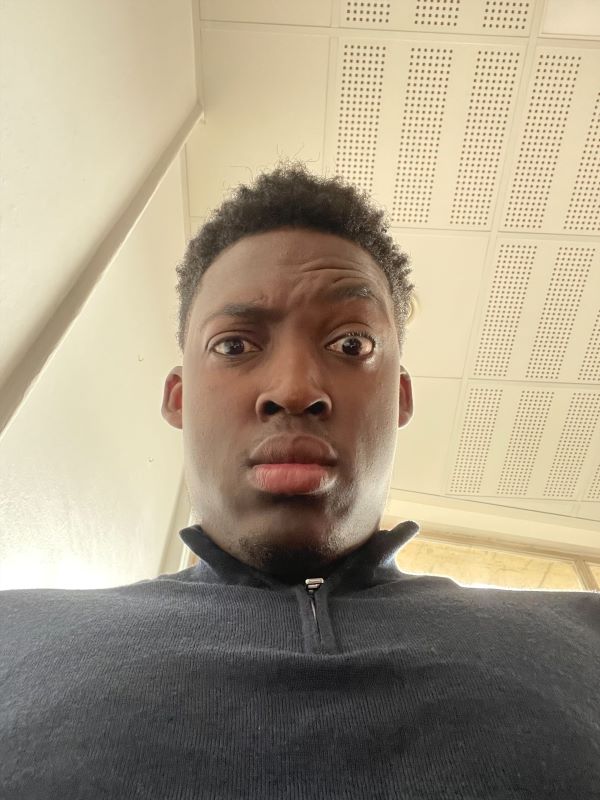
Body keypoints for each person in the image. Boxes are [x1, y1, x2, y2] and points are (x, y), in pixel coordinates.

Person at [1, 163, 598, 799]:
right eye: (234, 346)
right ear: (178, 398)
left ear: (399, 397)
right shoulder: (14, 633)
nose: (292, 390)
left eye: (351, 345)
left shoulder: (585, 633)